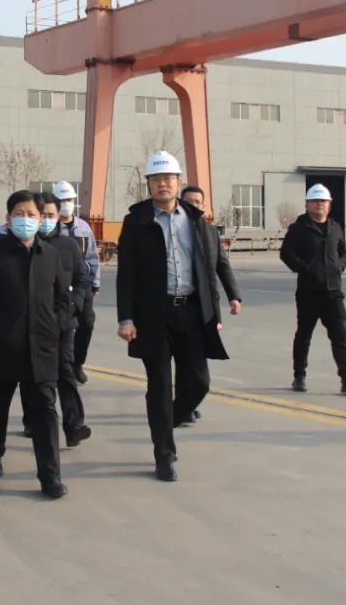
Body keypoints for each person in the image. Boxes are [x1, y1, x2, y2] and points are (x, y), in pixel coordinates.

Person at [115, 151, 238, 482]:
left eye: (168, 179)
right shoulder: (136, 221)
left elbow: (208, 270)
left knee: (199, 382)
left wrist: (215, 310)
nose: (162, 185)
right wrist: (126, 318)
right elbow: (126, 274)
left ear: (178, 182)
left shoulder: (196, 220)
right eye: (156, 180)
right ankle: (164, 455)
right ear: (149, 184)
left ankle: (166, 423)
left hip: (191, 313)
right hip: (153, 316)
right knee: (158, 386)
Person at [0, 190, 69, 498]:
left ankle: (50, 476)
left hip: (42, 347)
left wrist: (56, 325)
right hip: (5, 344)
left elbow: (61, 298)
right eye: (19, 214)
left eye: (32, 215)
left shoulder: (50, 255)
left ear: (41, 220)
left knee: (45, 409)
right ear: (8, 218)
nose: (26, 219)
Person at [280, 184, 346, 395]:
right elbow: (287, 254)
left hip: (333, 292)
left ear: (329, 206)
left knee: (340, 335)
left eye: (323, 201)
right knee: (304, 335)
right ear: (307, 205)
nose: (319, 204)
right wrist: (305, 269)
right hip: (308, 292)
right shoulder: (298, 229)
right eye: (315, 201)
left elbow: (344, 251)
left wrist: (339, 266)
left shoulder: (335, 228)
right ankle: (299, 376)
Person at [32, 192, 93, 446]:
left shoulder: (68, 246)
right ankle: (33, 420)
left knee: (65, 371)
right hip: (33, 322)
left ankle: (74, 425)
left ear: (59, 217)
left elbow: (82, 279)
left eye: (51, 215)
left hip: (64, 321)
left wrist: (74, 305)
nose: (46, 219)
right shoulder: (25, 244)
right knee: (37, 376)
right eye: (42, 214)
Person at [179, 184, 243, 423]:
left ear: (204, 206)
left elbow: (222, 266)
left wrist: (233, 296)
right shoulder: (173, 232)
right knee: (186, 360)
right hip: (180, 307)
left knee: (198, 364)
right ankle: (184, 407)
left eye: (197, 202)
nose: (193, 206)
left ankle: (187, 403)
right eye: (189, 202)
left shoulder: (211, 233)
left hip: (206, 307)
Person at [53, 181, 101, 384]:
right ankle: (58, 366)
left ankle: (77, 363)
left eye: (69, 200)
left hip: (82, 284)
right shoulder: (51, 228)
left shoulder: (83, 227)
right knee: (61, 326)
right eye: (62, 200)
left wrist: (95, 283)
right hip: (59, 285)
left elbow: (92, 256)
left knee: (86, 324)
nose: (66, 204)